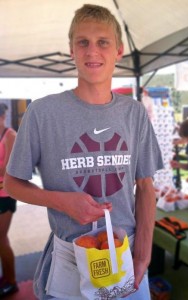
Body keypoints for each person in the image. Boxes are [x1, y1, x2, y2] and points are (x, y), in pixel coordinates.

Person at [4, 4, 163, 300]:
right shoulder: (42, 112)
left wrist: (143, 255)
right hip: (69, 258)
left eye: (103, 42)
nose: (92, 51)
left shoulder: (134, 113)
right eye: (83, 42)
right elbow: (12, 184)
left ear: (118, 51)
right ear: (71, 50)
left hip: (124, 254)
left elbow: (145, 186)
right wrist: (62, 202)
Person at [0, 103, 18, 297]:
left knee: (1, 238)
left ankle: (12, 281)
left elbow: (8, 169)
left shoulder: (10, 136)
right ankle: (5, 276)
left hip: (6, 194)